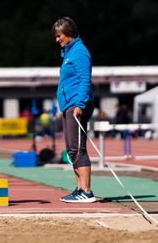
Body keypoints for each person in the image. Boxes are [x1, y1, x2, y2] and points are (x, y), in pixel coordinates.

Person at [52, 17, 96, 203]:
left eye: (59, 35)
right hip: (69, 105)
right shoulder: (68, 53)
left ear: (69, 33)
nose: (57, 39)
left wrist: (80, 104)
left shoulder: (79, 52)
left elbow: (85, 80)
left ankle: (86, 191)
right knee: (72, 150)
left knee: (78, 149)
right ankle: (79, 189)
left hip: (77, 105)